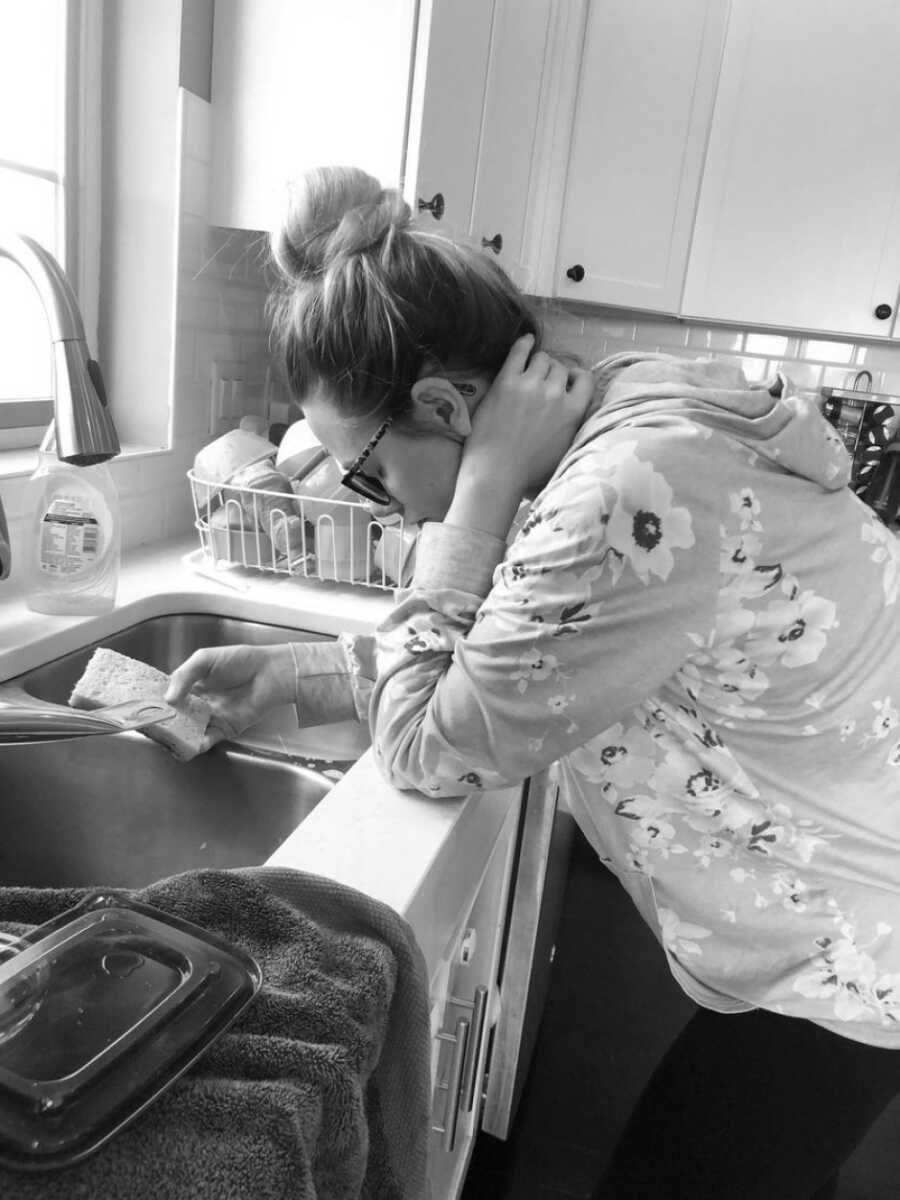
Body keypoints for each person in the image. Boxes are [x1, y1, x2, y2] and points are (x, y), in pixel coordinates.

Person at [167, 165, 900, 1199]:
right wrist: (299, 672)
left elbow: (430, 744)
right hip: (845, 894)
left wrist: (469, 506)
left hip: (857, 938)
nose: (371, 500)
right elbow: (515, 637)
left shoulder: (620, 490)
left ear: (443, 406)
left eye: (367, 470)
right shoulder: (625, 415)